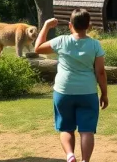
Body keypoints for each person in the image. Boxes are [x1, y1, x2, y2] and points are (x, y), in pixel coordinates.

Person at [34, 10, 108, 162]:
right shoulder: (95, 45)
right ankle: (85, 160)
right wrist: (104, 94)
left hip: (63, 91)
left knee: (66, 128)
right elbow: (100, 72)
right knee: (87, 130)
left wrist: (46, 26)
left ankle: (70, 155)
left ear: (70, 25)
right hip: (87, 92)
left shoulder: (61, 41)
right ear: (89, 26)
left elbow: (38, 48)